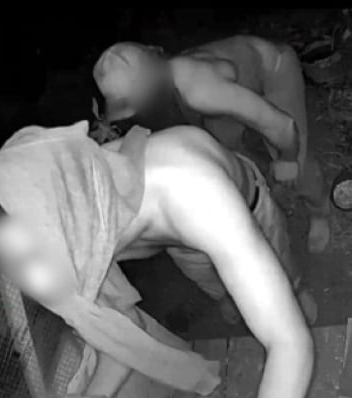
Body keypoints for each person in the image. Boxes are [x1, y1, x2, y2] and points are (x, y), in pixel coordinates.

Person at [0, 121, 314, 398]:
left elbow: (289, 342)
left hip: (244, 207)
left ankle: (296, 290)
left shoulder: (194, 191)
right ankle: (233, 298)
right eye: (12, 262)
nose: (29, 284)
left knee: (286, 297)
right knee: (221, 288)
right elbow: (122, 332)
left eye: (32, 258)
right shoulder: (79, 219)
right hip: (184, 245)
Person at [93, 35, 331, 254]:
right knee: (226, 147)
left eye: (135, 102)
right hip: (233, 87)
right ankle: (264, 185)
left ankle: (320, 212)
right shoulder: (162, 77)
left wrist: (287, 159)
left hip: (273, 70)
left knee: (296, 162)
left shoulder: (200, 90)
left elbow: (282, 125)